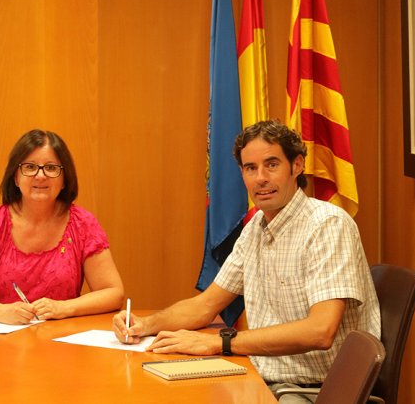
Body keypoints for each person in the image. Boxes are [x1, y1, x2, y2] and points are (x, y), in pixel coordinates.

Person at [112, 120, 380, 401]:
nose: (260, 178)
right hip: (261, 373)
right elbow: (205, 305)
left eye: (272, 164)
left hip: (314, 389)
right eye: (250, 168)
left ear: (297, 165)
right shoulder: (255, 228)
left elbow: (320, 331)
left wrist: (220, 342)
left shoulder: (328, 225)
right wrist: (145, 325)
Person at [0, 129, 124, 324]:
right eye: (30, 167)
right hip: (2, 342)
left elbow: (113, 292)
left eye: (51, 168)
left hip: (63, 342)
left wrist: (65, 307)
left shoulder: (83, 224)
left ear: (64, 179)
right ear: (16, 177)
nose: (40, 176)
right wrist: (1, 312)